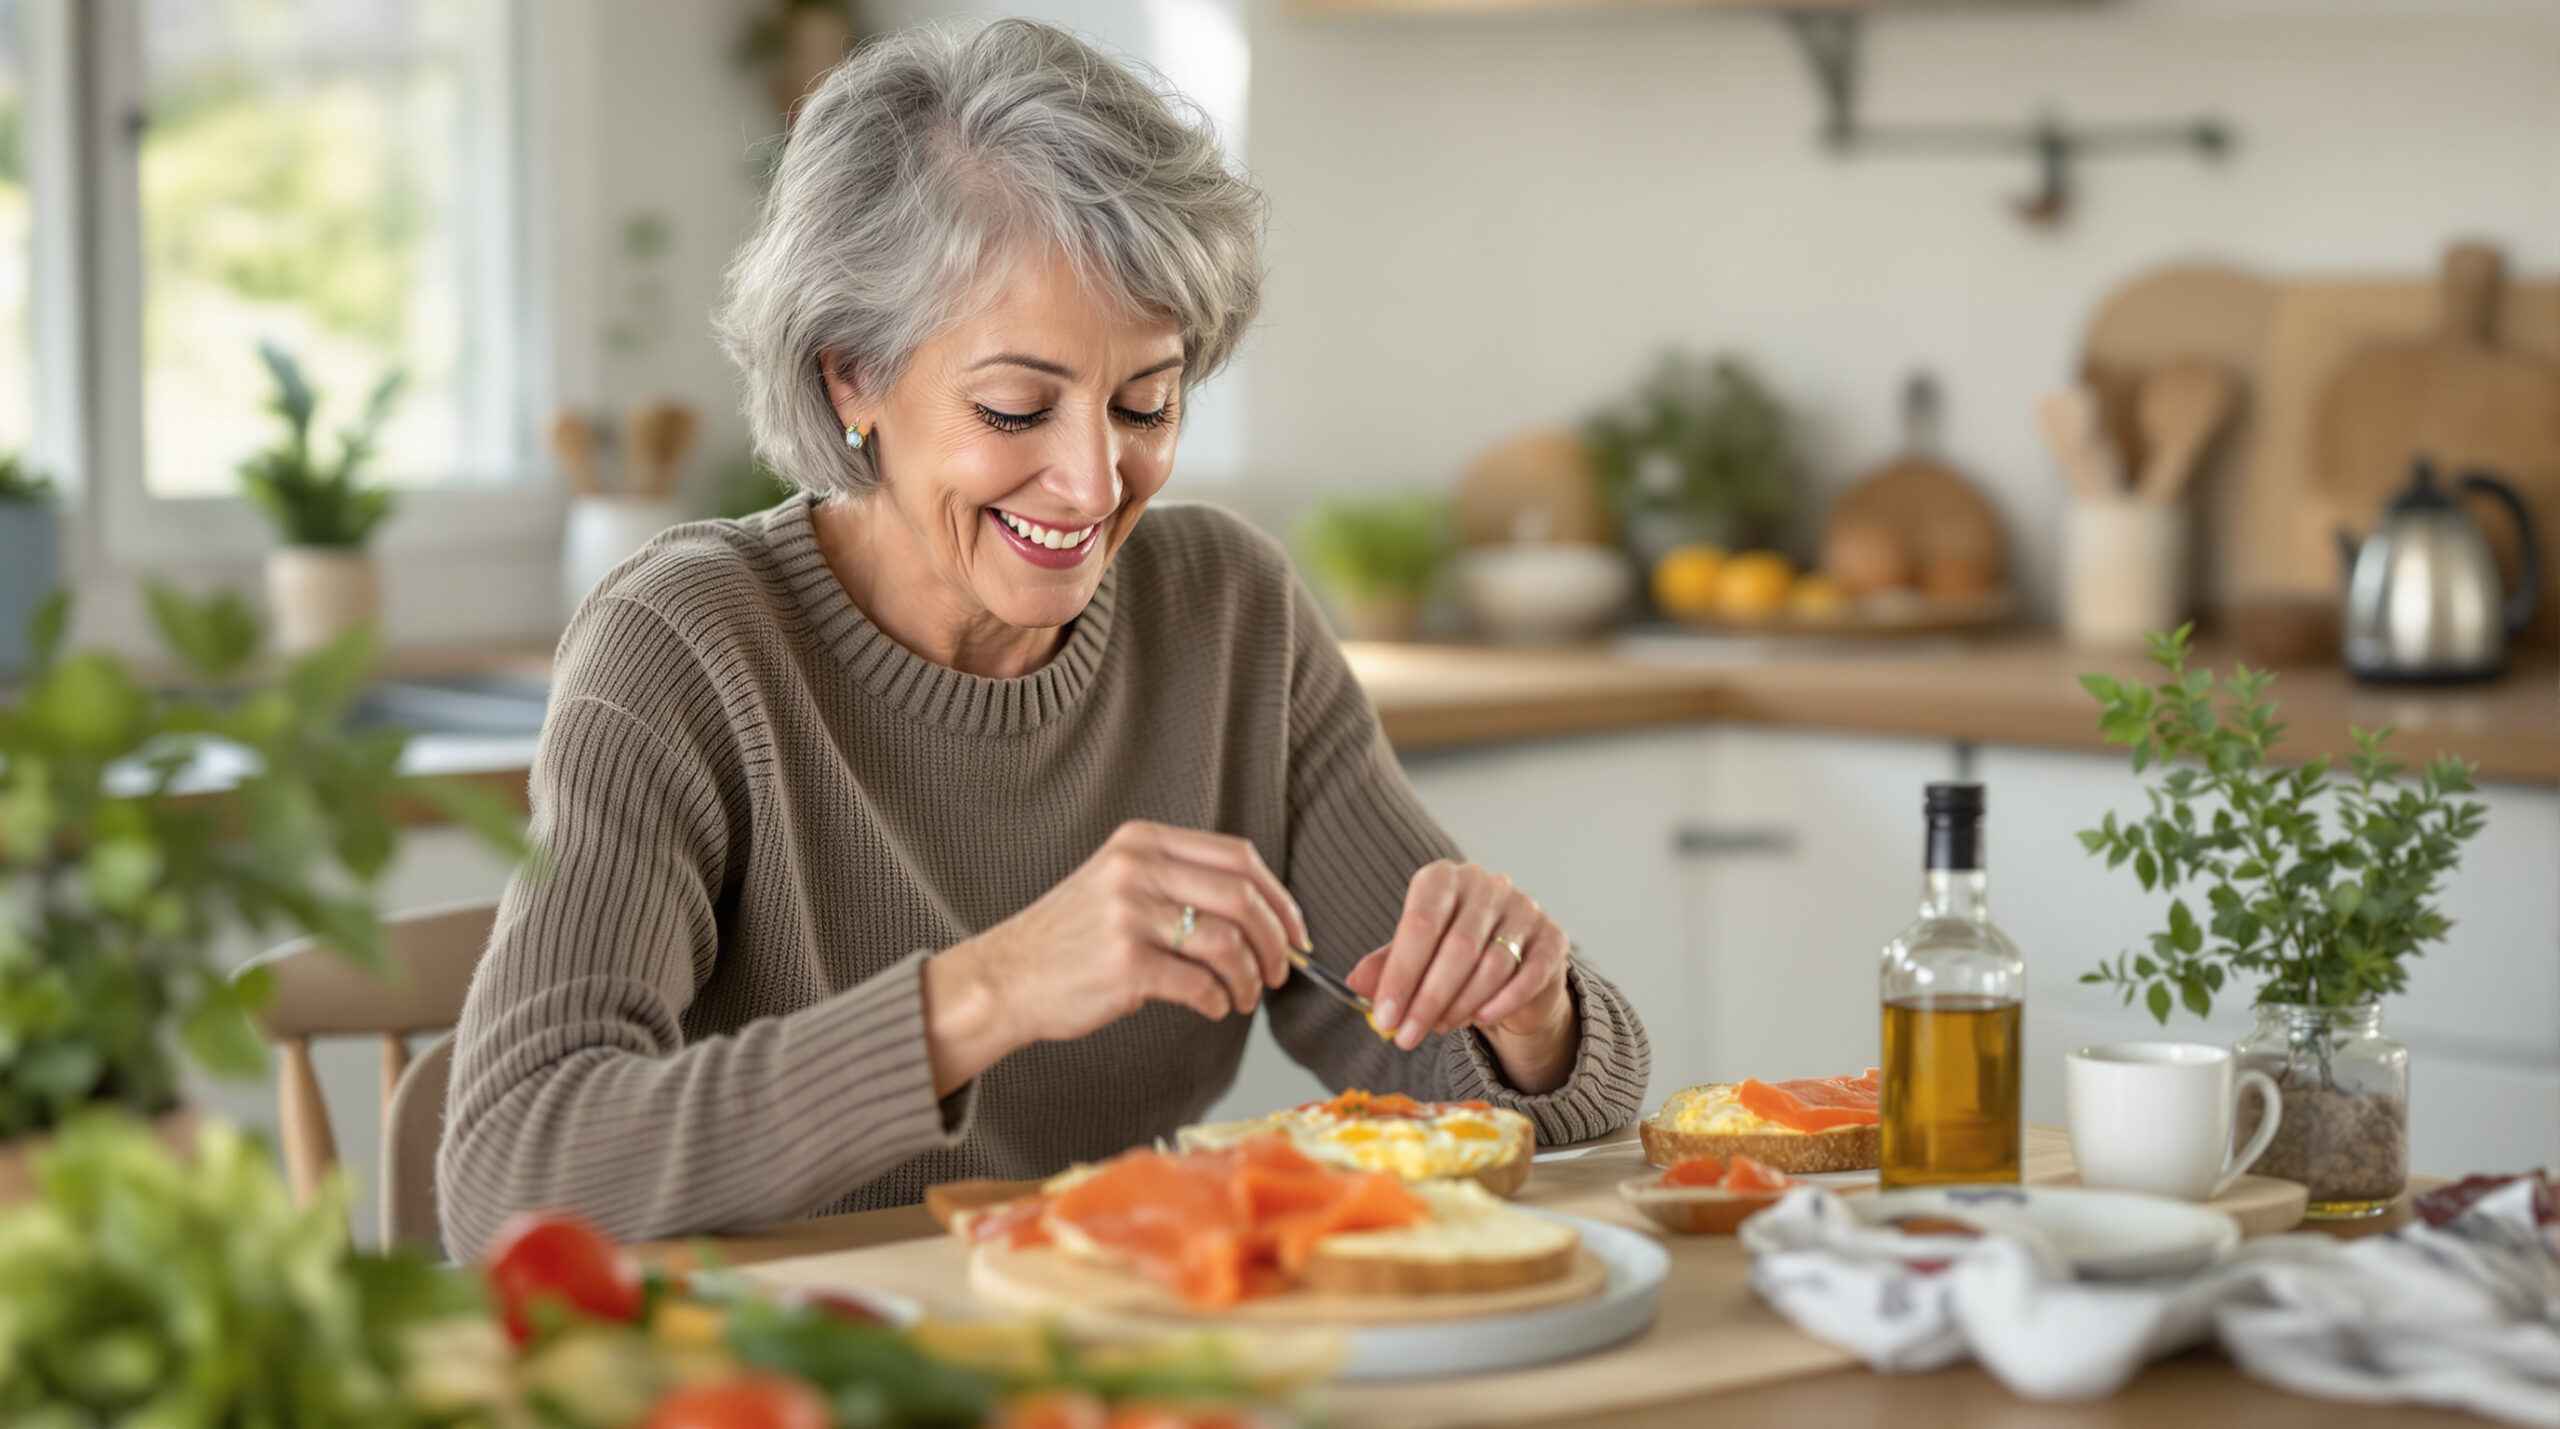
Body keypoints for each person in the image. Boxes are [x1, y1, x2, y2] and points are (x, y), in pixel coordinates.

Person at [438, 19, 1649, 1255]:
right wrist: (996, 987)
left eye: (1145, 404)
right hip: (795, 1341)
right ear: (852, 375)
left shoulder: (1224, 612)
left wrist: (1526, 1013)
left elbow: (1536, 1105)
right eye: (1016, 407)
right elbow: (512, 1175)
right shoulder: (687, 645)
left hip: (1106, 1325)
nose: (1091, 482)